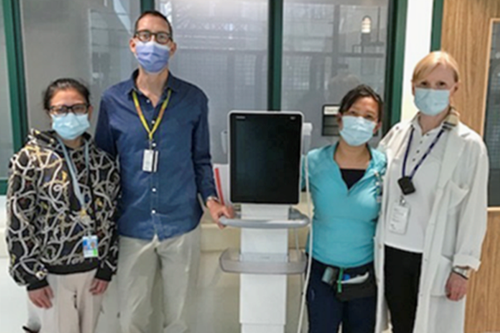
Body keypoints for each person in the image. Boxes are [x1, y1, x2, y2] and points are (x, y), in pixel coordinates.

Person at [94, 10, 232, 333]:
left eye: (161, 37)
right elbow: (102, 166)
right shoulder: (113, 100)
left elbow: (201, 158)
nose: (152, 44)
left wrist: (210, 199)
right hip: (131, 225)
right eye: (145, 36)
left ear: (172, 47)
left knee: (179, 320)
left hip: (181, 224)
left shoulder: (193, 100)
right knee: (132, 319)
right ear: (132, 44)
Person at [374, 51, 489, 333]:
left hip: (434, 256)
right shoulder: (398, 134)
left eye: (441, 85)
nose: (431, 91)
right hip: (392, 252)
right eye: (424, 84)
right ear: (412, 87)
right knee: (399, 326)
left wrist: (462, 269)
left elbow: (473, 212)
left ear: (455, 89)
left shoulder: (469, 145)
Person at [6, 78, 120, 333]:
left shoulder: (103, 162)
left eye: (77, 108)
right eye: (61, 109)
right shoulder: (30, 160)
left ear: (89, 111)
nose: (70, 115)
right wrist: (32, 278)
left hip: (93, 273)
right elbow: (18, 222)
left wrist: (107, 267)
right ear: (49, 113)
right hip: (50, 275)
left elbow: (112, 217)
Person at [303, 84, 386, 333]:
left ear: (377, 126)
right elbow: (278, 188)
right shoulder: (313, 162)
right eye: (353, 113)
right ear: (339, 118)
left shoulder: (384, 167)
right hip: (320, 272)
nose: (360, 121)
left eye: (369, 117)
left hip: (364, 275)